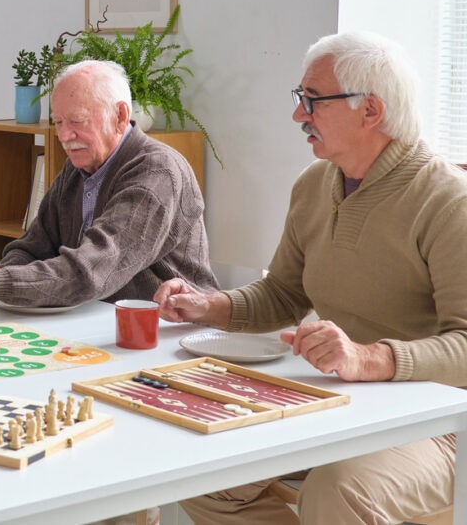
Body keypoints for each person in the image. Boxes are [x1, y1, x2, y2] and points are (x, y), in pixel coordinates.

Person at [154, 31, 467, 524]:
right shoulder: (313, 185)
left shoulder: (449, 200)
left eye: (313, 101)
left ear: (371, 111)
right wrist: (210, 306)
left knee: (338, 490)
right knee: (202, 473)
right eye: (301, 99)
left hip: (442, 421)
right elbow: (284, 292)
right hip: (338, 399)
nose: (299, 115)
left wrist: (371, 358)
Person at [0, 59, 216, 327]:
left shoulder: (158, 170)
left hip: (168, 333)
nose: (64, 135)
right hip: (96, 325)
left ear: (120, 116)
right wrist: (3, 272)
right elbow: (34, 246)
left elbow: (92, 269)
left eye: (77, 120)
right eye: (58, 121)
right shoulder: (78, 168)